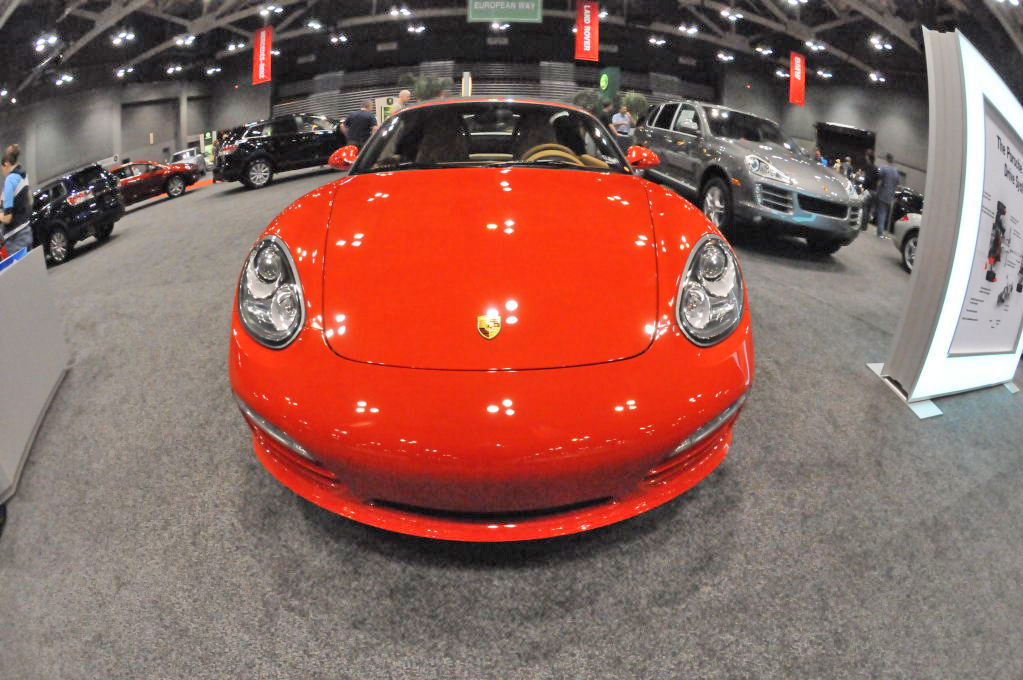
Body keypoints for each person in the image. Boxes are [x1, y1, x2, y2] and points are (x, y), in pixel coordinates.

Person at [1, 144, 32, 256]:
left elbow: (7, 218)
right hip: (26, 231)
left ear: (6, 164)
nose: (2, 172)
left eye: (2, 168)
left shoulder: (10, 180)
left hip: (15, 238)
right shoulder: (23, 175)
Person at [875, 153, 901, 237]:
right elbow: (898, 183)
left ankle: (880, 231)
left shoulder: (884, 168)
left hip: (882, 194)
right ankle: (881, 229)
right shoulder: (896, 172)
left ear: (886, 159)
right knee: (884, 213)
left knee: (881, 212)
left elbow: (878, 177)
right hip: (890, 196)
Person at [861, 149, 879, 231]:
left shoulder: (869, 167)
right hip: (874, 191)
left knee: (864, 207)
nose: (865, 157)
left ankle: (862, 226)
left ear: (868, 157)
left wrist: (863, 188)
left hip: (868, 190)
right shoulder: (876, 168)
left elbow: (867, 179)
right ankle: (865, 226)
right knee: (868, 209)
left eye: (866, 156)